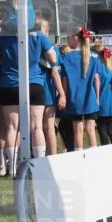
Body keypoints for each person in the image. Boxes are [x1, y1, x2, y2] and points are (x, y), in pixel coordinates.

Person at [0, 18, 57, 171]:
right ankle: (40, 165)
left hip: (10, 84)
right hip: (34, 83)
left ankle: (13, 167)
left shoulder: (4, 36)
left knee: (12, 127)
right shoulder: (39, 35)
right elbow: (53, 58)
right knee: (36, 126)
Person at [61, 29, 101, 150]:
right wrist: (97, 98)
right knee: (91, 129)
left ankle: (79, 156)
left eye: (69, 36)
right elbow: (97, 79)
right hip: (90, 97)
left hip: (74, 97)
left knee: (77, 129)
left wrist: (64, 95)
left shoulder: (67, 57)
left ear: (76, 38)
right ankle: (94, 156)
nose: (67, 38)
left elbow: (65, 80)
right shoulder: (94, 56)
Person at [37, 19, 65, 156]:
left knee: (43, 125)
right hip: (44, 89)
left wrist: (61, 93)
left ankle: (49, 154)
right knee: (46, 125)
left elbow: (55, 72)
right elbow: (55, 72)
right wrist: (62, 93)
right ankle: (49, 156)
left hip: (44, 89)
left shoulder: (28, 47)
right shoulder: (52, 49)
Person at [93, 44, 112, 146]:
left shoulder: (99, 69)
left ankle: (105, 149)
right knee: (110, 128)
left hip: (102, 102)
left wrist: (96, 100)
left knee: (102, 129)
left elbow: (96, 84)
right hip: (111, 104)